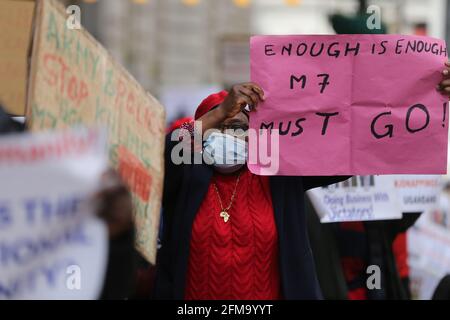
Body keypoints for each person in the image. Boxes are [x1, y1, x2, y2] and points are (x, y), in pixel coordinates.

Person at [153, 83, 351, 300]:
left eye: (239, 127)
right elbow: (160, 154)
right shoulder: (185, 177)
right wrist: (220, 111)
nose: (230, 136)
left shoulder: (278, 175)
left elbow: (344, 159)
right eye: (220, 126)